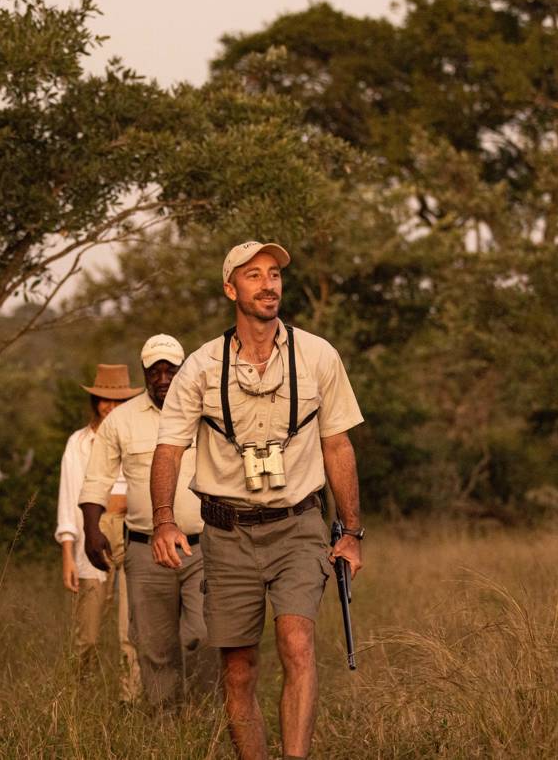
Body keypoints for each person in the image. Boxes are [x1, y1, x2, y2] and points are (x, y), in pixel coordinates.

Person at [149, 241, 366, 760]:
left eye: (274, 275)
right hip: (227, 531)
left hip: (299, 524)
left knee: (298, 644)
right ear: (231, 289)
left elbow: (337, 443)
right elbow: (167, 449)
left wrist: (352, 532)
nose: (268, 284)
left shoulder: (318, 355)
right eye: (253, 276)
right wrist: (162, 520)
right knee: (240, 666)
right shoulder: (200, 367)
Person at [78, 335, 216, 707]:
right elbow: (96, 480)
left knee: (203, 635)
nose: (162, 377)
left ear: (183, 370)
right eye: (154, 370)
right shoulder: (121, 420)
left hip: (202, 546)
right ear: (144, 373)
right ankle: (165, 726)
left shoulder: (205, 412)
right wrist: (92, 531)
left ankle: (205, 717)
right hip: (144, 549)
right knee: (154, 645)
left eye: (170, 369)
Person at [54, 363, 143, 701]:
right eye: (105, 400)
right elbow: (69, 496)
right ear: (95, 401)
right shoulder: (79, 443)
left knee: (130, 628)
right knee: (87, 633)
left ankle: (130, 699)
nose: (110, 407)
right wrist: (68, 553)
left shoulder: (135, 436)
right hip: (93, 529)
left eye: (118, 401)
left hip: (132, 526)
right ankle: (79, 693)